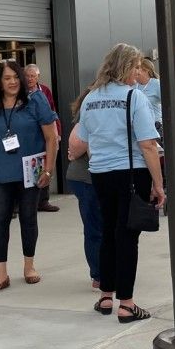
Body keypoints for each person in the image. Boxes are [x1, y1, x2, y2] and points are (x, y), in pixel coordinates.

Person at [70, 43, 166, 323]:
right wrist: (158, 184)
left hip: (100, 173)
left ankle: (105, 295)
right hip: (131, 173)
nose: (139, 72)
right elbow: (148, 144)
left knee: (108, 233)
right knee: (128, 236)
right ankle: (127, 303)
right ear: (124, 67)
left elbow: (83, 140)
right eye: (136, 66)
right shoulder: (134, 97)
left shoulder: (90, 98)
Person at [0, 60, 59, 292]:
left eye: (15, 77)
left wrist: (48, 169)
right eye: (7, 78)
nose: (12, 82)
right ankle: (1, 273)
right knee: (0, 218)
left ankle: (29, 266)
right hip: (0, 169)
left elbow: (51, 137)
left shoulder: (35, 101)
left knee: (28, 217)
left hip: (29, 170)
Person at [66, 88, 103, 290]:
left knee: (99, 227)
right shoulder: (91, 105)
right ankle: (98, 274)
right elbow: (76, 144)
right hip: (86, 177)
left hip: (94, 176)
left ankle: (103, 271)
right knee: (95, 227)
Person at [24, 64, 61, 213]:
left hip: (44, 133)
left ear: (38, 77)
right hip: (29, 135)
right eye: (27, 76)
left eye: (33, 76)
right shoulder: (20, 91)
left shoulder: (44, 91)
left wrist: (57, 132)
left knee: (44, 165)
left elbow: (52, 111)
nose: (30, 79)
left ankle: (43, 201)